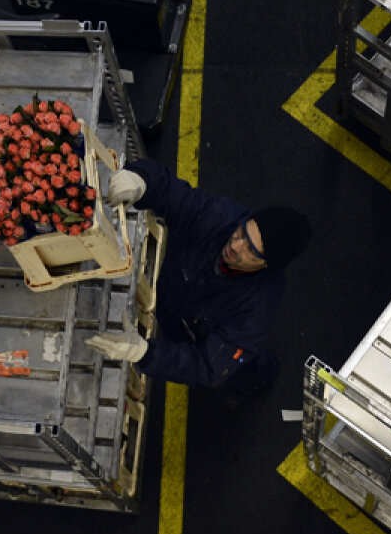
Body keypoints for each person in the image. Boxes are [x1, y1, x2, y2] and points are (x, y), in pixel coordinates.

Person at [86, 159, 312, 398]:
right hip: (175, 306)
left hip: (206, 336)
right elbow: (174, 194)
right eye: (243, 232)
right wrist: (142, 180)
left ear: (266, 265)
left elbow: (208, 366)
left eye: (251, 250)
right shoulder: (218, 216)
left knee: (239, 369)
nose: (235, 245)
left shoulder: (256, 309)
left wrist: (144, 354)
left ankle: (260, 377)